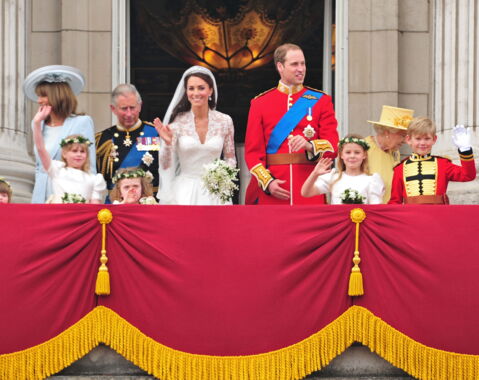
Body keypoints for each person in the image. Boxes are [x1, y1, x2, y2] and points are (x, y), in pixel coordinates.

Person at [244, 43, 339, 205]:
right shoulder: (260, 103)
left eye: (303, 64)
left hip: (309, 187)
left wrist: (310, 146)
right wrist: (268, 183)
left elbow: (333, 145)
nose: (300, 69)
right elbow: (253, 153)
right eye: (294, 64)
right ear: (280, 66)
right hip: (276, 189)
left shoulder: (321, 101)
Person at [154, 66, 237, 205]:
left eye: (201, 88)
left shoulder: (225, 121)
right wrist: (167, 144)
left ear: (210, 90)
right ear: (186, 91)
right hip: (184, 193)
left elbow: (231, 158)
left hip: (215, 193)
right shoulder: (178, 122)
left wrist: (223, 176)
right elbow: (165, 164)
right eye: (191, 88)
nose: (196, 93)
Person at [23, 65, 96, 203]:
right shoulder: (37, 124)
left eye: (43, 95)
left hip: (69, 196)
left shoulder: (81, 122)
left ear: (56, 96)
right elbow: (39, 167)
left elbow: (89, 165)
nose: (39, 100)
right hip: (40, 197)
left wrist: (87, 200)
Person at [96, 84, 160, 201]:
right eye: (124, 108)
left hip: (149, 204)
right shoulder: (102, 139)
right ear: (113, 109)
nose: (129, 114)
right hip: (115, 206)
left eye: (132, 107)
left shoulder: (155, 133)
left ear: (140, 106)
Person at [389, 118, 476, 204]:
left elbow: (468, 175)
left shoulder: (442, 164)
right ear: (408, 140)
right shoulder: (399, 169)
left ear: (434, 139)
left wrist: (465, 150)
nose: (422, 143)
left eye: (427, 138)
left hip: (437, 216)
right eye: (418, 139)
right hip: (410, 216)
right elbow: (395, 201)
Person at [32, 104, 106, 203]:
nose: (79, 154)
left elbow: (94, 207)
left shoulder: (93, 179)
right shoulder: (57, 170)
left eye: (82, 151)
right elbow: (41, 149)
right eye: (74, 151)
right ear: (64, 154)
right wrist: (37, 123)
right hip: (59, 216)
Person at [301, 135, 384, 204]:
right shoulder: (333, 177)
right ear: (341, 155)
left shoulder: (372, 179)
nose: (352, 156)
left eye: (357, 152)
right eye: (348, 152)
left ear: (364, 155)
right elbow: (306, 193)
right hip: (338, 222)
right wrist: (315, 174)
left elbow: (375, 207)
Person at [366, 105, 414, 203]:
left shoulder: (395, 152)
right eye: (403, 135)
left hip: (390, 209)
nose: (405, 141)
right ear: (387, 133)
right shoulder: (363, 148)